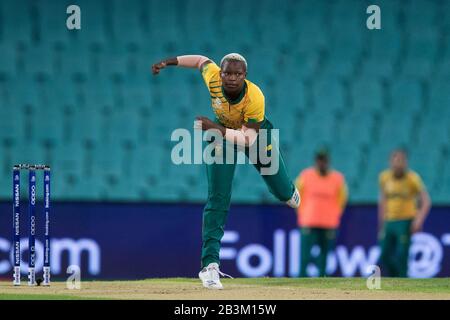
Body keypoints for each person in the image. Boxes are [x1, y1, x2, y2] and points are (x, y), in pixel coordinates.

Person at [152, 53, 300, 289]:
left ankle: (287, 192)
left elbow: (248, 140)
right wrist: (168, 62)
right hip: (221, 138)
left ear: (245, 76)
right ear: (220, 73)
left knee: (283, 193)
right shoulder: (212, 78)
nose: (231, 78)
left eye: (237, 74)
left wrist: (216, 128)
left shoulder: (255, 97)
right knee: (217, 198)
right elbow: (201, 60)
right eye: (227, 73)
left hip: (254, 135)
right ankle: (210, 266)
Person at [378, 149, 431, 277]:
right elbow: (383, 201)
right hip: (390, 221)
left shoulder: (412, 179)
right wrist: (381, 225)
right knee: (384, 255)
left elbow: (426, 201)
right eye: (395, 161)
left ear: (405, 163)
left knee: (403, 254)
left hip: (405, 221)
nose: (398, 164)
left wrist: (418, 220)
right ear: (390, 162)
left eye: (401, 161)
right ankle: (396, 278)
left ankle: (403, 283)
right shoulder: (384, 177)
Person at [295, 149, 347, 277]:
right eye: (320, 160)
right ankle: (301, 281)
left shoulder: (337, 178)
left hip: (328, 223)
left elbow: (342, 198)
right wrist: (302, 213)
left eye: (324, 160)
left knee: (324, 256)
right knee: (305, 256)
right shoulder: (305, 175)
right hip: (309, 222)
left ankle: (322, 283)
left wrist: (334, 215)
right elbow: (296, 195)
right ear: (316, 161)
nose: (322, 163)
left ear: (328, 161)